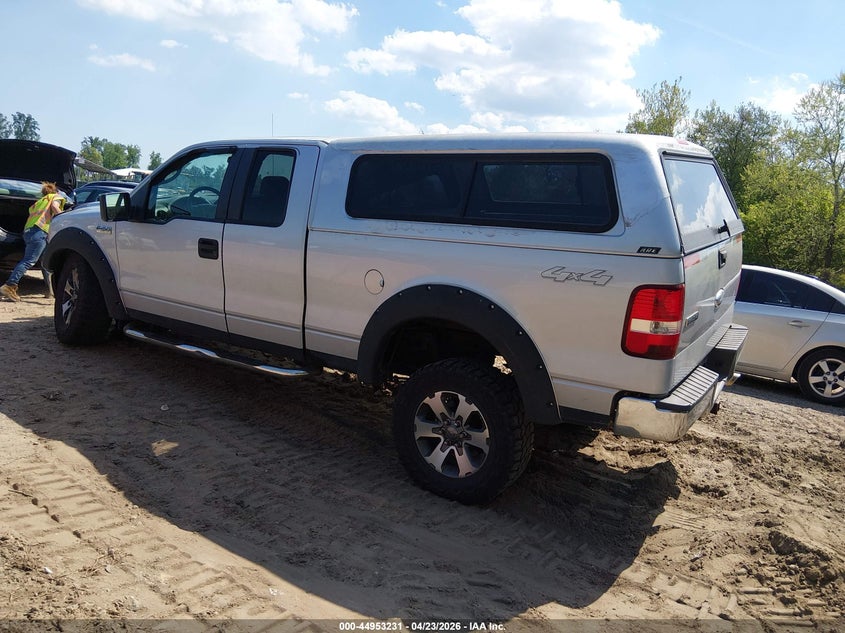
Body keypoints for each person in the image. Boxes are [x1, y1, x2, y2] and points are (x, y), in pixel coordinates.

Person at [0, 182, 65, 302]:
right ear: (56, 191)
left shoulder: (39, 202)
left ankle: (52, 292)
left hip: (30, 232)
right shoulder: (55, 197)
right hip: (40, 232)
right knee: (29, 261)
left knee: (46, 262)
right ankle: (9, 286)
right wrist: (65, 219)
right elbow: (55, 208)